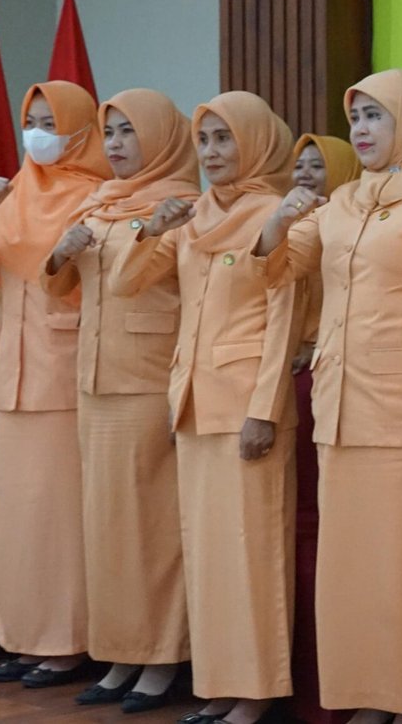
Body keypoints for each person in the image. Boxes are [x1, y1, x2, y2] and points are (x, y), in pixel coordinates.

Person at [255, 70, 402, 724]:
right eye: (356, 118)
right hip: (341, 408)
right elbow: (281, 266)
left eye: (376, 116)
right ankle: (370, 696)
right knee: (355, 572)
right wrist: (277, 223)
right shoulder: (346, 198)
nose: (361, 130)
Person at [110, 91, 300, 724]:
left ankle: (258, 692)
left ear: (255, 143)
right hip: (193, 402)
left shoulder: (275, 213)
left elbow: (284, 319)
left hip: (246, 406)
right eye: (205, 140)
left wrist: (265, 409)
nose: (213, 153)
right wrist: (149, 229)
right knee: (208, 555)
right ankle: (220, 685)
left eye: (225, 139)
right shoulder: (193, 215)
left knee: (251, 555)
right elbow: (126, 282)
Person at [41, 88, 197, 710]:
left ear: (159, 137)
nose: (116, 144)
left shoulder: (181, 204)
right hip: (96, 381)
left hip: (148, 380)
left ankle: (160, 659)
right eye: (110, 133)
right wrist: (60, 255)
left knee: (150, 529)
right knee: (106, 527)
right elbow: (60, 287)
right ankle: (119, 654)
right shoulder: (99, 201)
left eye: (129, 131)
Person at [0, 81, 109, 686]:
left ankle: (66, 641)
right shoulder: (14, 191)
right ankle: (23, 635)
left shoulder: (95, 195)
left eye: (52, 123)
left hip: (64, 370)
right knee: (19, 517)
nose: (39, 134)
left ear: (81, 130)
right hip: (14, 370)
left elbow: (88, 283)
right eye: (33, 121)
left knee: (58, 517)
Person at [288, 133, 362, 370]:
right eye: (298, 166)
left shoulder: (356, 229)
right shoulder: (287, 223)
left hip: (338, 359)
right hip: (288, 360)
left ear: (343, 169)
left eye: (317, 166)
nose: (304, 174)